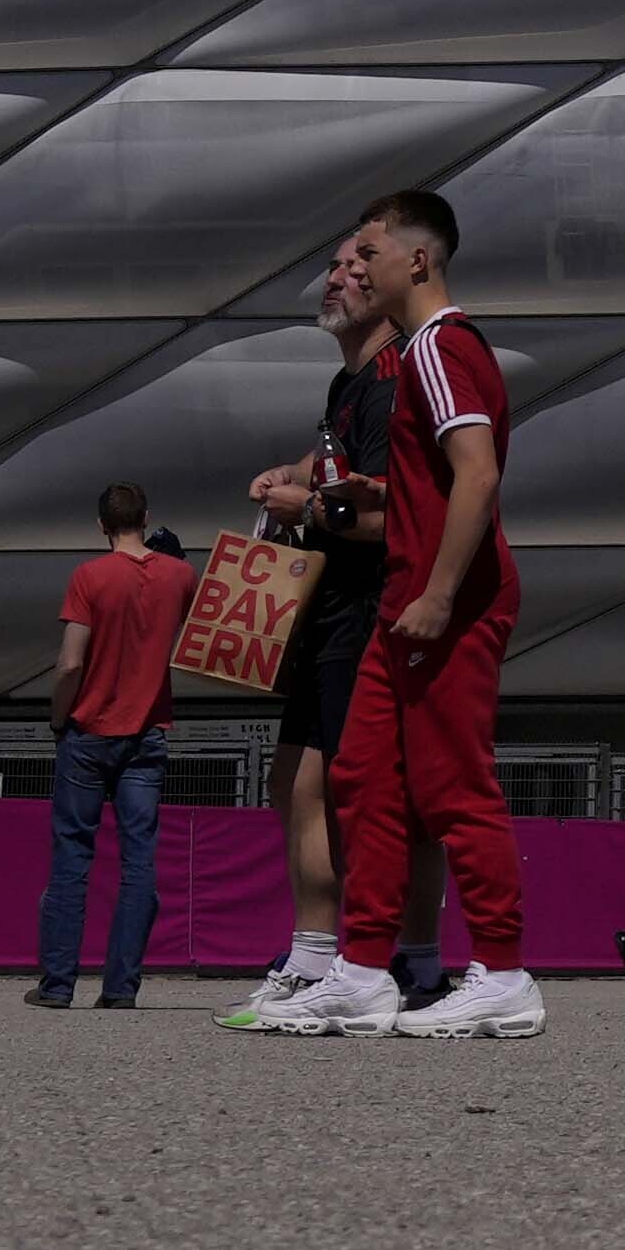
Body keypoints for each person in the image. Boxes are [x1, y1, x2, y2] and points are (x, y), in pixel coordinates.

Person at [290, 188, 541, 1042]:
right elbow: (444, 480)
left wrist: (437, 595)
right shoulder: (430, 353)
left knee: (453, 786)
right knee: (363, 776)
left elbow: (477, 475)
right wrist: (377, 497)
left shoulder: (435, 348)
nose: (355, 266)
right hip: (408, 601)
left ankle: (504, 974)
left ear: (417, 262)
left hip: (445, 603)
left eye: (368, 252)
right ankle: (362, 972)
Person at [225, 231, 405, 1030]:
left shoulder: (393, 383)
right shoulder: (348, 383)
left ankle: (362, 962)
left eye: (351, 270)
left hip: (364, 606)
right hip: (325, 606)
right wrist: (290, 478)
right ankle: (309, 955)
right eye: (331, 268)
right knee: (294, 781)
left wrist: (313, 506)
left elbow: (392, 506)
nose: (333, 280)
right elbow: (333, 463)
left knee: (346, 791)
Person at [35, 484, 194, 1009]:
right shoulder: (180, 576)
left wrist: (60, 717)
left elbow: (70, 663)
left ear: (101, 524)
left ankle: (58, 985)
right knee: (139, 863)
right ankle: (121, 987)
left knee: (72, 859)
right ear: (146, 517)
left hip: (87, 732)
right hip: (147, 731)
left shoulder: (89, 577)